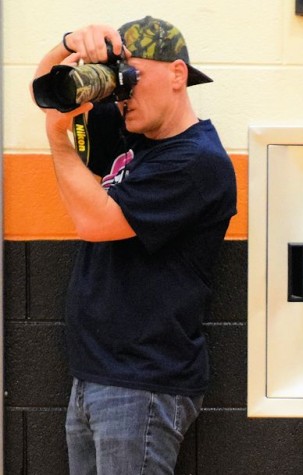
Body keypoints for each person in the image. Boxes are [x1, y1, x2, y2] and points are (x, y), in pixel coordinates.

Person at [31, 15, 237, 475]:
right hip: (95, 376)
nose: (124, 95)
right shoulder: (129, 133)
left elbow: (95, 221)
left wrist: (57, 140)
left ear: (178, 75)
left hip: (143, 385)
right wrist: (69, 46)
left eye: (133, 78)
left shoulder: (198, 161)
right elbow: (45, 92)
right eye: (119, 83)